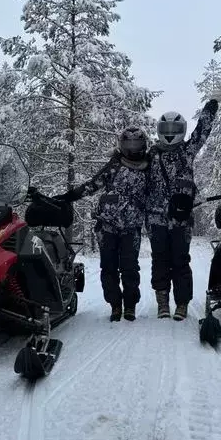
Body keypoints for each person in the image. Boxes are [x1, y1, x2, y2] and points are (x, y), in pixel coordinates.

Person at [54, 126, 149, 322]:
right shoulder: (114, 165)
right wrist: (69, 196)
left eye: (136, 144)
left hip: (132, 227)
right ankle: (115, 305)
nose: (132, 148)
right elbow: (92, 184)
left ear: (143, 145)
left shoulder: (149, 167)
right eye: (128, 143)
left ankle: (130, 305)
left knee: (130, 268)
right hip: (107, 226)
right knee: (108, 268)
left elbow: (159, 193)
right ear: (121, 145)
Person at [146, 95, 221, 320]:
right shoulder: (150, 155)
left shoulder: (187, 152)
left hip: (181, 219)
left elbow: (201, 133)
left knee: (181, 260)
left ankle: (181, 304)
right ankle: (162, 302)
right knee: (160, 260)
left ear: (181, 129)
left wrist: (210, 110)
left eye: (174, 127)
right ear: (160, 129)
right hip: (156, 219)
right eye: (166, 127)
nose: (170, 131)